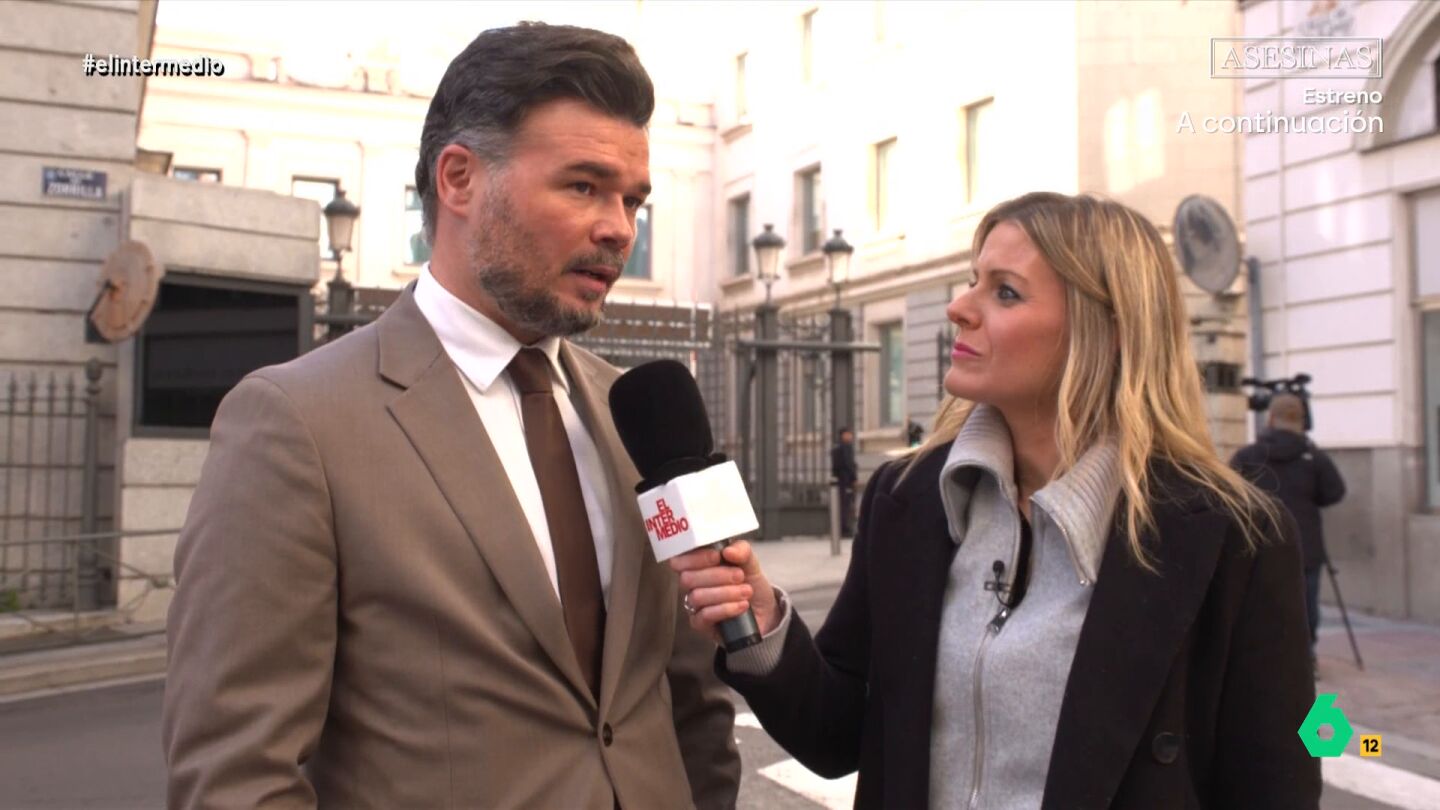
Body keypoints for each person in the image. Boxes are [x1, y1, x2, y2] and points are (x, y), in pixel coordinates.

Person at [162, 23, 740, 809]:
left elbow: (693, 701)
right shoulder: (297, 425)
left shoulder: (635, 415)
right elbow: (237, 774)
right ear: (460, 179)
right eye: (583, 187)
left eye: (632, 200)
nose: (619, 228)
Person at [672, 192, 1319, 808]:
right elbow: (839, 731)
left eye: (1005, 291)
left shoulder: (1232, 537)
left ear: (1109, 329)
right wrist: (765, 628)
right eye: (972, 281)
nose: (960, 307)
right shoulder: (908, 500)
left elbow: (1277, 781)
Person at [1231, 392, 1346, 669]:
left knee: (1261, 602)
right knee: (1306, 603)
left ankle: (1265, 657)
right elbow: (1335, 492)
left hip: (1260, 543)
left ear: (1270, 419)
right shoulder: (1314, 457)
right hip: (1305, 543)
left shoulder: (1248, 456)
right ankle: (1306, 657)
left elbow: (1230, 495)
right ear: (1301, 421)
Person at [831, 426, 859, 537]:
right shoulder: (845, 448)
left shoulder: (837, 448)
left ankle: (843, 528)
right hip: (846, 480)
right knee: (845, 505)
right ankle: (844, 528)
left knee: (844, 504)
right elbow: (848, 464)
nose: (850, 436)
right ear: (843, 435)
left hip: (841, 480)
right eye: (848, 434)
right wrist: (854, 478)